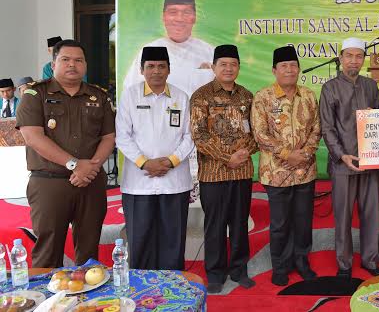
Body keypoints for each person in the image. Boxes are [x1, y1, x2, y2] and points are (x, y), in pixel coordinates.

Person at [16, 39, 116, 267]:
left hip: (90, 182)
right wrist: (75, 165)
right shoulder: (35, 94)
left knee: (89, 254)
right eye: (66, 59)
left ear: (85, 65)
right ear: (53, 64)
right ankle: (46, 291)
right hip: (50, 183)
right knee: (48, 253)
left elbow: (108, 137)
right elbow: (33, 137)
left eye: (78, 60)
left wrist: (91, 167)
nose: (72, 64)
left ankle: (86, 291)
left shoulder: (99, 96)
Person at [115, 46, 194, 270]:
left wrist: (171, 161)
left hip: (174, 181)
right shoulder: (130, 96)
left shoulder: (181, 97)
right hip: (139, 183)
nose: (156, 71)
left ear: (169, 69)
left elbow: (190, 136)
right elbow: (122, 136)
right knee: (140, 239)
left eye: (161, 66)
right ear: (142, 70)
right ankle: (141, 284)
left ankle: (173, 284)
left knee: (173, 240)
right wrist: (145, 163)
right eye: (150, 66)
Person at [251, 45, 321, 286]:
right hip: (276, 172)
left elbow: (317, 128)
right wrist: (286, 154)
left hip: (305, 170)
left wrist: (305, 153)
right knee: (280, 223)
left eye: (293, 65)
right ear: (274, 70)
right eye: (284, 66)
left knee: (303, 221)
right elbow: (260, 133)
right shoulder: (263, 97)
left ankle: (302, 261)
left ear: (299, 69)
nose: (289, 70)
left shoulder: (308, 95)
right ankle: (280, 266)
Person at [190, 45, 258, 293]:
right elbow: (199, 134)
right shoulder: (202, 96)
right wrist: (227, 157)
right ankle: (215, 273)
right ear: (213, 67)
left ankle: (239, 270)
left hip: (242, 172)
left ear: (239, 67)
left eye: (233, 64)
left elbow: (257, 132)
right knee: (215, 225)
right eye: (223, 64)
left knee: (239, 223)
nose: (228, 69)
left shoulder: (247, 96)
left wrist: (244, 154)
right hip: (213, 173)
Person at [319, 38, 379, 279]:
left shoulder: (371, 85)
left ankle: (370, 260)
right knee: (343, 217)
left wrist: (376, 114)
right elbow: (327, 127)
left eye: (359, 56)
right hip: (343, 164)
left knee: (372, 215)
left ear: (363, 59)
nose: (353, 61)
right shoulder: (330, 88)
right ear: (340, 58)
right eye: (349, 55)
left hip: (370, 162)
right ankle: (344, 264)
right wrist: (340, 155)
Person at [123, 0, 214, 96]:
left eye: (186, 12)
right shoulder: (148, 51)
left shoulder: (209, 51)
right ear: (164, 17)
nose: (179, 19)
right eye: (173, 12)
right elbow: (130, 92)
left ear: (194, 17)